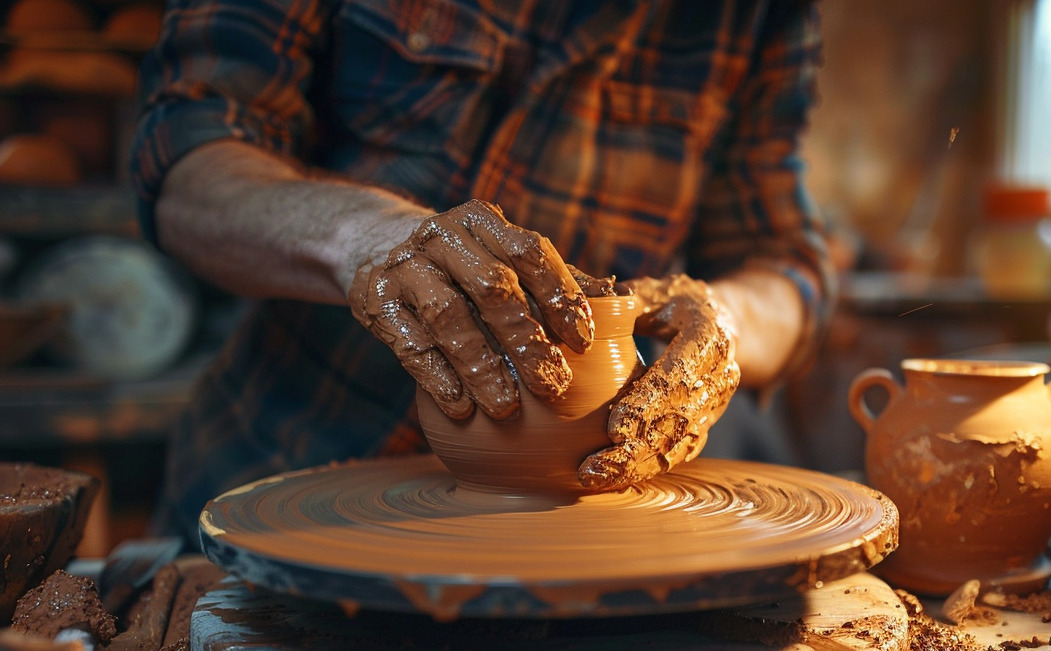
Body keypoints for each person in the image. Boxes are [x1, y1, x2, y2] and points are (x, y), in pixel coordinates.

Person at [130, 0, 834, 545]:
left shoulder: (756, 13)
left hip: (578, 543)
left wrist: (724, 320)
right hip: (277, 478)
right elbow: (189, 161)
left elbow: (787, 268)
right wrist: (368, 239)